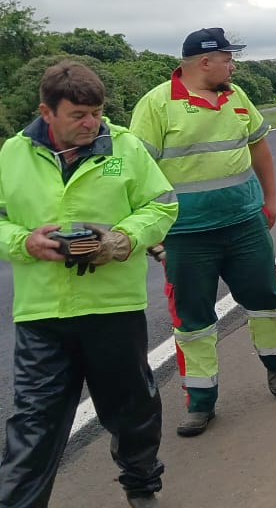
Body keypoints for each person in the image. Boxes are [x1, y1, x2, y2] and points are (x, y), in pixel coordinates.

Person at [0, 60, 177, 507]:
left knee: (132, 409)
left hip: (112, 308)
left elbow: (162, 207)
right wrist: (26, 242)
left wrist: (122, 240)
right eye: (78, 115)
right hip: (43, 314)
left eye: (96, 113)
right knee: (33, 423)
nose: (90, 123)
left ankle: (141, 487)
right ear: (47, 112)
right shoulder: (12, 154)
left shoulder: (125, 148)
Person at [130, 27, 276, 439]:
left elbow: (259, 147)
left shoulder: (236, 97)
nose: (233, 65)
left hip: (244, 226)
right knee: (193, 322)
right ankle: (201, 403)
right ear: (205, 62)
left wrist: (270, 200)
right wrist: (153, 237)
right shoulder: (156, 104)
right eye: (227, 58)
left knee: (267, 301)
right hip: (185, 236)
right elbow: (136, 175)